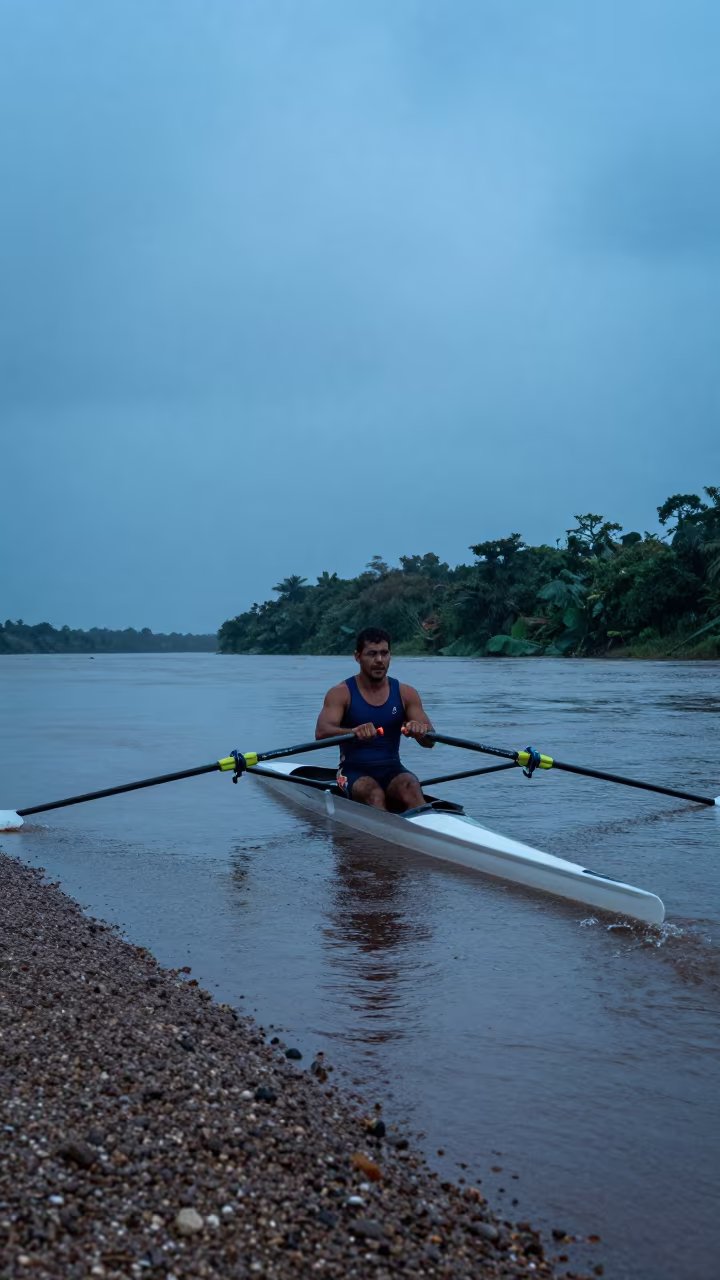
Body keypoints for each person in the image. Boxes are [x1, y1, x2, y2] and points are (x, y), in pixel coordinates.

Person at [315, 626, 434, 811]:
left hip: (392, 769)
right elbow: (321, 733)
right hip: (352, 771)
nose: (379, 660)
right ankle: (386, 835)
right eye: (372, 654)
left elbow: (430, 741)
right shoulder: (340, 693)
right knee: (374, 794)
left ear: (390, 656)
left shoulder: (406, 693)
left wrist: (421, 731)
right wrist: (353, 732)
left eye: (384, 653)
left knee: (411, 786)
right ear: (357, 657)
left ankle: (430, 832)